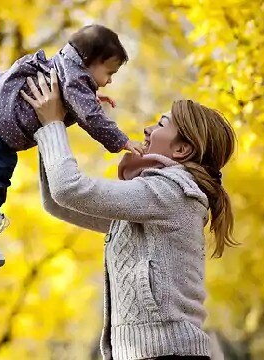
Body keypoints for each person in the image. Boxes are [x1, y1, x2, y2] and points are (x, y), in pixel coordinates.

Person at [22, 69, 237, 359]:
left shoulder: (172, 193)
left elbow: (69, 189)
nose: (147, 130)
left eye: (162, 124)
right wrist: (56, 122)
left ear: (182, 149)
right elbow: (58, 202)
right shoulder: (152, 201)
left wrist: (52, 125)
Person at [0, 24, 144, 267]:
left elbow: (73, 95)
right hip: (3, 128)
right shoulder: (75, 80)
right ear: (88, 61)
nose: (109, 81)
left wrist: (92, 97)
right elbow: (91, 118)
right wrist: (121, 141)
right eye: (109, 73)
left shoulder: (64, 66)